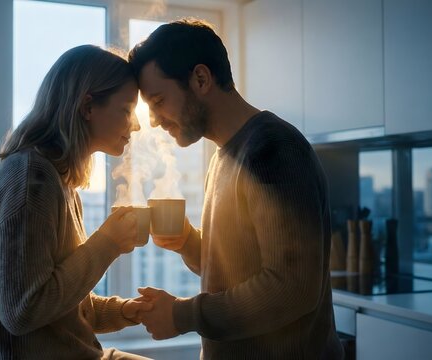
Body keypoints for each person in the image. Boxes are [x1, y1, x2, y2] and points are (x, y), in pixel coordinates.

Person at [129, 19, 344, 359]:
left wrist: (183, 315)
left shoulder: (274, 149)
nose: (154, 120)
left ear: (201, 79)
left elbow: (291, 288)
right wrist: (188, 242)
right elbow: (239, 269)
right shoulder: (224, 156)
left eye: (158, 101)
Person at [0, 45, 153, 360]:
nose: (135, 125)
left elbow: (66, 303)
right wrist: (107, 243)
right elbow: (23, 311)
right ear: (87, 106)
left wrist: (127, 311)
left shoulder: (59, 182)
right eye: (126, 109)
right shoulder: (30, 184)